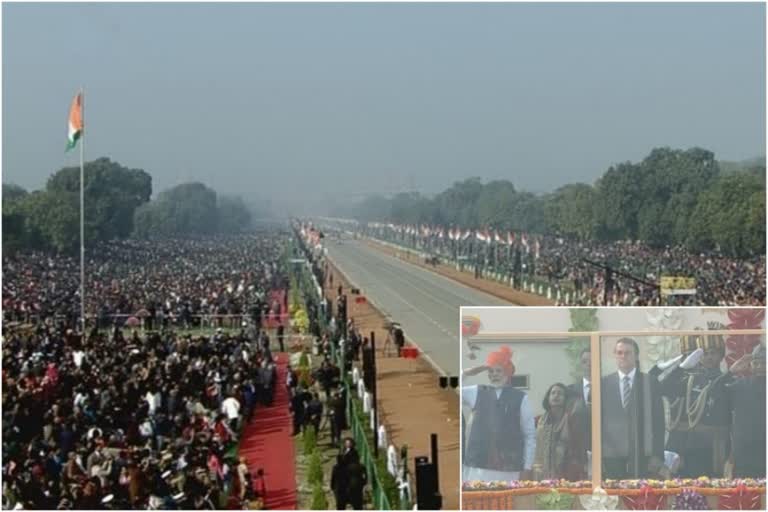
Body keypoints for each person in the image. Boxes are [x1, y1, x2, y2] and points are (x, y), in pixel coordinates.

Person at [656, 328, 733, 478]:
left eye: (713, 353)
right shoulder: (690, 380)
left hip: (718, 447)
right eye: (705, 353)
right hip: (692, 447)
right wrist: (681, 368)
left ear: (721, 356)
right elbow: (663, 388)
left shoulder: (729, 380)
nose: (709, 357)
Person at [461, 346, 536, 482]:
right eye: (491, 371)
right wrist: (466, 373)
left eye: (498, 371)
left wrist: (527, 467)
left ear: (507, 373)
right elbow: (448, 387)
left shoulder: (521, 398)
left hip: (509, 468)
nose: (494, 374)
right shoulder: (477, 391)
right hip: (478, 467)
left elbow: (529, 435)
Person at [601, 338, 664, 479]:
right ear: (615, 355)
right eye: (619, 353)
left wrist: (657, 455)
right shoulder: (603, 383)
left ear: (636, 356)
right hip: (612, 455)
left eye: (628, 353)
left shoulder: (649, 382)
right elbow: (599, 421)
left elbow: (659, 421)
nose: (623, 356)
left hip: (642, 453)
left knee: (640, 497)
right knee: (615, 497)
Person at [727, 343, 766, 478]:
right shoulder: (741, 385)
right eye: (756, 363)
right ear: (751, 365)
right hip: (745, 451)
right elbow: (717, 393)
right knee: (743, 494)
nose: (760, 367)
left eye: (764, 363)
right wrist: (731, 371)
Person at [534, 382, 587, 480]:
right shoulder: (539, 421)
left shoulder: (572, 421)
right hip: (543, 473)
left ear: (565, 398)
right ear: (548, 398)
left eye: (560, 393)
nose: (556, 396)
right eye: (553, 393)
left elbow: (579, 447)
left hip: (567, 472)